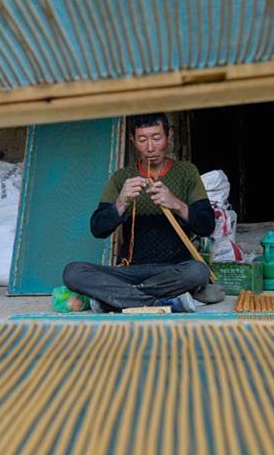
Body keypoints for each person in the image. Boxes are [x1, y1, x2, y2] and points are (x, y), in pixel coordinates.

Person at [63, 113, 218, 312]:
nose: (150, 147)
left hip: (173, 271)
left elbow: (207, 226)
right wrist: (121, 202)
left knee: (198, 272)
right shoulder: (122, 178)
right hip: (129, 271)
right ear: (132, 140)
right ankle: (160, 302)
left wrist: (176, 204)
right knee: (73, 272)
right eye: (142, 140)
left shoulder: (186, 172)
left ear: (169, 135)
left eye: (156, 138)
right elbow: (98, 229)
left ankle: (117, 299)